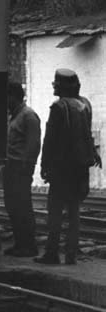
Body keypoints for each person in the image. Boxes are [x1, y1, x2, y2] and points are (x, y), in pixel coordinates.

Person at [36, 69, 100, 265]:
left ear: (63, 86)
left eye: (56, 82)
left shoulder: (58, 107)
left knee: (55, 212)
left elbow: (50, 140)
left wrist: (45, 165)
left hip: (61, 169)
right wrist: (94, 154)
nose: (53, 85)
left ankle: (52, 253)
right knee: (74, 211)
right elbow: (87, 135)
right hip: (80, 168)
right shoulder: (85, 105)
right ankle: (71, 255)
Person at [3, 81, 41, 257]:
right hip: (12, 166)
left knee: (23, 206)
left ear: (14, 96)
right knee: (13, 206)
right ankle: (20, 244)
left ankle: (29, 246)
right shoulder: (15, 116)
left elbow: (33, 145)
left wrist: (26, 167)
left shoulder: (28, 116)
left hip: (21, 167)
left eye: (7, 96)